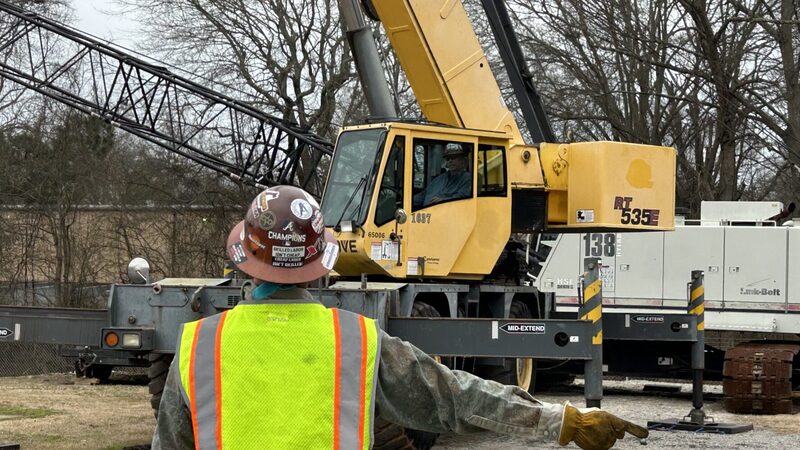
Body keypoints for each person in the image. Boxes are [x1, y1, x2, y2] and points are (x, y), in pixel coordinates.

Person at [152, 185, 648, 450]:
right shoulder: (357, 342)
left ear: (245, 256)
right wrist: (563, 420)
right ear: (320, 265)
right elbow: (457, 397)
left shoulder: (199, 346)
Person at [414, 143, 472, 208]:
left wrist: (442, 201)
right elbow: (423, 195)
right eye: (448, 159)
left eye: (453, 158)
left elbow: (463, 198)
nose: (450, 161)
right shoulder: (439, 179)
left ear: (462, 161)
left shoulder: (468, 179)